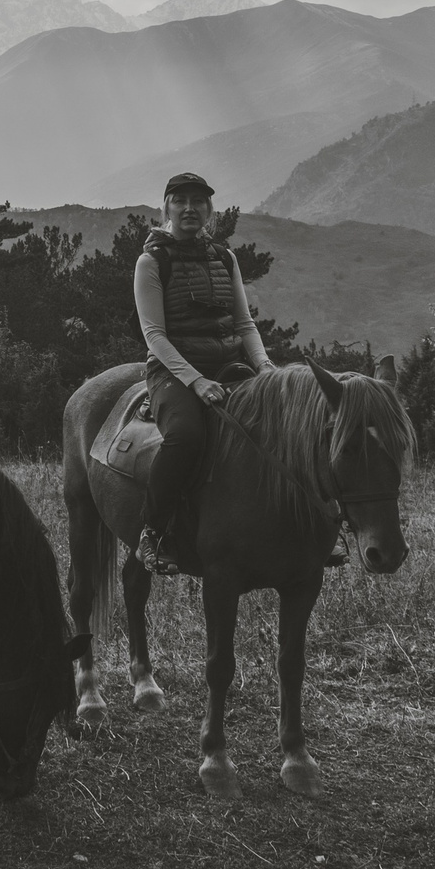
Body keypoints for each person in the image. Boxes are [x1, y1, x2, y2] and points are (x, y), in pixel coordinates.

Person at [132, 171, 274, 576]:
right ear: (167, 209)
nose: (190, 208)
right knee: (186, 436)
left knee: (284, 422)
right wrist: (195, 381)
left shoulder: (224, 258)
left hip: (230, 366)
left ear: (209, 210)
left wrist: (263, 365)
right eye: (181, 201)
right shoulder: (151, 261)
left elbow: (244, 324)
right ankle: (154, 532)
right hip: (171, 373)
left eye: (198, 201)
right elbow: (154, 335)